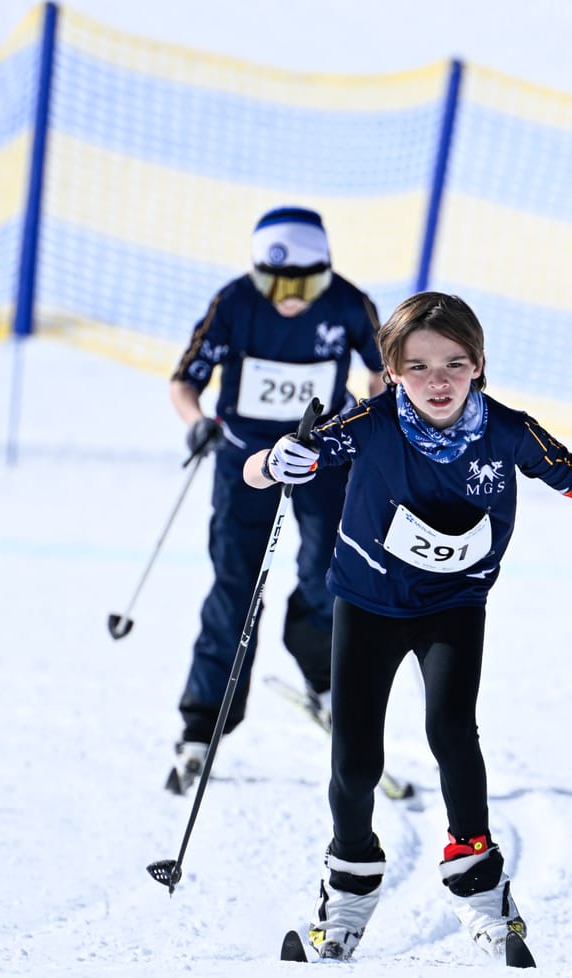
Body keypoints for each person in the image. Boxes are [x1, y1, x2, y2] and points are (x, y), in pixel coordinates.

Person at [245, 292, 572, 964]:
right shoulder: (370, 423)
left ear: (479, 366)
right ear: (393, 370)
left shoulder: (509, 431)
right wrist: (276, 458)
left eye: (455, 364)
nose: (439, 380)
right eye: (420, 364)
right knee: (355, 756)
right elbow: (271, 468)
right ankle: (347, 887)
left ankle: (480, 886)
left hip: (454, 603)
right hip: (369, 601)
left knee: (452, 730)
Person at [166, 206, 384, 794]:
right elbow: (185, 380)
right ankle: (202, 721)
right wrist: (196, 423)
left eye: (302, 285)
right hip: (244, 461)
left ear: (325, 273)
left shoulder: (349, 304)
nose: (287, 298)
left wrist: (377, 416)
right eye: (274, 283)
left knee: (327, 573)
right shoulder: (235, 303)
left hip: (323, 456)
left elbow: (381, 370)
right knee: (234, 584)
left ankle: (324, 678)